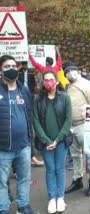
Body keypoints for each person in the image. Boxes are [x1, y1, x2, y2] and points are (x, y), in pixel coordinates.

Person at [33, 70, 72, 213]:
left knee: (60, 169)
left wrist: (58, 139)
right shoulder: (38, 99)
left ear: (56, 81)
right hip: (45, 143)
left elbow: (68, 120)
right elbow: (36, 121)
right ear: (43, 82)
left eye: (51, 79)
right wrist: (46, 140)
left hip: (61, 141)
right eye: (46, 79)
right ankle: (52, 198)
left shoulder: (65, 97)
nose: (48, 82)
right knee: (50, 170)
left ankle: (60, 197)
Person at [0, 55, 34, 214]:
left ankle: (23, 205)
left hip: (23, 146)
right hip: (3, 147)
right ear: (1, 70)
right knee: (1, 182)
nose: (11, 68)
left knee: (24, 178)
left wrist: (31, 141)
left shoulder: (24, 90)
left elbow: (29, 115)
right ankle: (3, 208)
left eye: (13, 65)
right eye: (7, 66)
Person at [63, 62, 90, 197]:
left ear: (77, 70)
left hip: (84, 124)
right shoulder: (67, 86)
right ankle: (77, 179)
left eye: (72, 70)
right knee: (75, 155)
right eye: (67, 71)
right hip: (70, 125)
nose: (70, 73)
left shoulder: (86, 84)